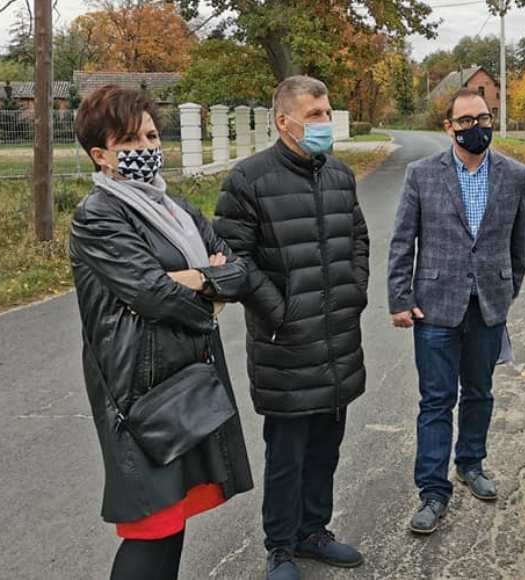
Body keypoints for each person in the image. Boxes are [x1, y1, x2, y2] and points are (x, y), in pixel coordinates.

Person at [69, 85, 256, 580]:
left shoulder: (178, 210)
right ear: (101, 155)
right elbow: (152, 294)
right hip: (139, 390)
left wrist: (194, 279)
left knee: (173, 521)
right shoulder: (98, 215)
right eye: (129, 140)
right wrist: (209, 292)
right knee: (151, 527)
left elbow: (240, 271)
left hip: (186, 377)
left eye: (151, 136)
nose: (147, 148)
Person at [214, 76, 369, 580]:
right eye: (315, 115)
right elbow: (233, 259)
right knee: (287, 453)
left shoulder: (340, 175)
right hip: (285, 345)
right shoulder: (249, 180)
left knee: (326, 446)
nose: (326, 122)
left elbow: (358, 237)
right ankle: (280, 546)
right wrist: (280, 312)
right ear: (284, 121)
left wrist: (354, 290)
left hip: (338, 338)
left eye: (327, 112)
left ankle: (313, 531)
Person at [387, 88, 525, 534]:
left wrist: (505, 293)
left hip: (487, 305)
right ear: (449, 127)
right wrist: (400, 298)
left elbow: (520, 245)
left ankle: (471, 462)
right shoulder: (421, 174)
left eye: (483, 119)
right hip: (434, 307)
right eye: (466, 121)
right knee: (436, 400)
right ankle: (433, 491)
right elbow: (402, 240)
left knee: (480, 392)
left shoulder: (515, 175)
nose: (476, 128)